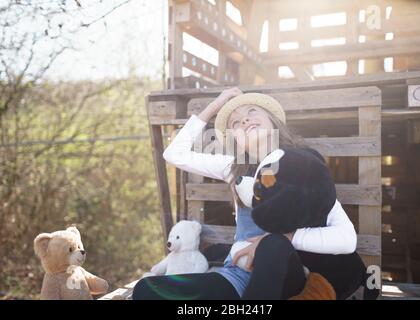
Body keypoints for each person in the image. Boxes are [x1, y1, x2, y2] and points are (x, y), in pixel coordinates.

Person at [133, 87, 376, 300]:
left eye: (252, 112)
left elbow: (346, 239)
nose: (245, 121)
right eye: (236, 123)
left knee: (273, 245)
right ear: (235, 140)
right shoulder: (233, 168)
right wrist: (216, 105)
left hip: (285, 279)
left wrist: (282, 239)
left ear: (272, 121)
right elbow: (174, 155)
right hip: (237, 278)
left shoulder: (302, 167)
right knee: (146, 290)